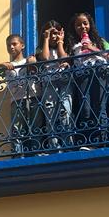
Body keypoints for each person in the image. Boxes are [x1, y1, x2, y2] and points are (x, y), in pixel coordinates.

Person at [0, 34, 37, 154]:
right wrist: (0, 65)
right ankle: (18, 154)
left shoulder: (28, 60)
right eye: (9, 45)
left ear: (22, 45)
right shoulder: (7, 66)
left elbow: (38, 69)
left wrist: (33, 63)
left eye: (14, 44)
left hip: (33, 98)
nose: (11, 47)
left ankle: (36, 151)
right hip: (16, 101)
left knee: (35, 126)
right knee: (17, 129)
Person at [69, 12, 109, 146]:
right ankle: (89, 142)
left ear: (90, 25)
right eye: (78, 25)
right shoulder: (72, 44)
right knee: (85, 108)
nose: (82, 27)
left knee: (100, 106)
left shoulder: (100, 41)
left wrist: (91, 48)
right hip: (82, 75)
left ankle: (102, 141)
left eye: (85, 23)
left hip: (100, 72)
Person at [34, 20, 73, 150]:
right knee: (50, 113)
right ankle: (54, 146)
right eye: (50, 34)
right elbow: (45, 58)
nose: (53, 37)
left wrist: (61, 42)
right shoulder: (41, 49)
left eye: (56, 33)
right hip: (48, 83)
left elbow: (63, 58)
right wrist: (45, 39)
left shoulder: (65, 47)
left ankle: (68, 144)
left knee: (65, 111)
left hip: (64, 81)